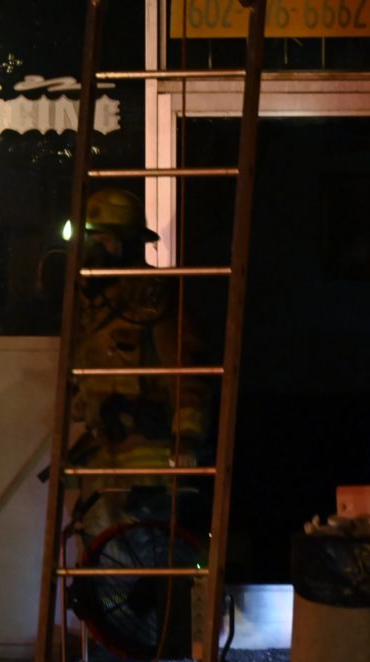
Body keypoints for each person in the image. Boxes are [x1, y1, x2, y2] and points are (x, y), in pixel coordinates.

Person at [69, 187, 210, 540]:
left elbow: (188, 372)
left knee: (142, 551)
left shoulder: (154, 297)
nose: (95, 251)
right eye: (91, 240)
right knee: (99, 554)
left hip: (150, 458)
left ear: (128, 243)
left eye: (103, 240)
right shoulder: (89, 303)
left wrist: (186, 439)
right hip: (103, 454)